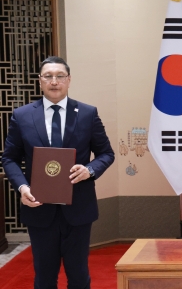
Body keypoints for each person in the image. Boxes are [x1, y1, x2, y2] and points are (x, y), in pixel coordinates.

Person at [2, 56, 115, 288]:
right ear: (40, 81)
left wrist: (90, 170)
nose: (54, 81)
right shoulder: (22, 116)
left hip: (79, 209)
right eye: (48, 76)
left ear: (69, 80)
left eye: (60, 76)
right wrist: (23, 187)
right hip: (39, 209)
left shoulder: (87, 113)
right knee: (44, 277)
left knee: (78, 276)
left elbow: (106, 154)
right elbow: (9, 158)